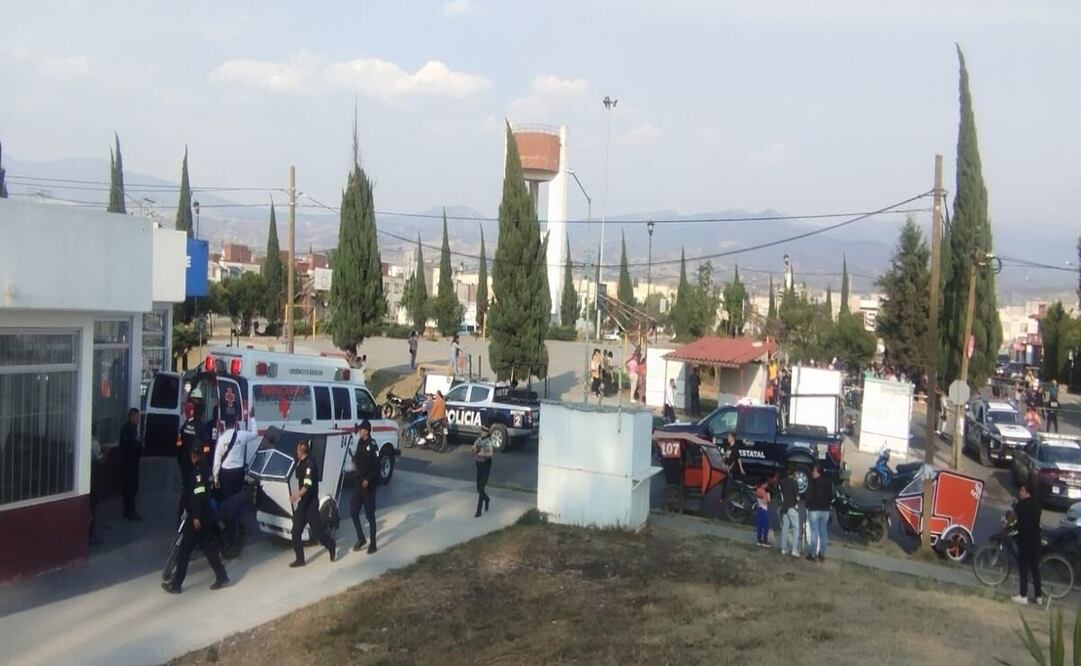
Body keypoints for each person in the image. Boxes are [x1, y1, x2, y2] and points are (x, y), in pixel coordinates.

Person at [162, 445, 229, 594]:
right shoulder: (204, 468)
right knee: (207, 547)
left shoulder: (199, 472)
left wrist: (196, 516)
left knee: (184, 550)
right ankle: (222, 576)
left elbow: (199, 494)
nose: (192, 456)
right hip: (204, 515)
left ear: (198, 455)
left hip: (197, 517)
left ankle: (177, 584)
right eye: (192, 453)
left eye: (194, 453)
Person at [289, 440, 338, 567]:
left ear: (301, 450)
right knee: (295, 531)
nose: (296, 452)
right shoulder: (301, 462)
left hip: (311, 503)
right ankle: (300, 559)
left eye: (298, 450)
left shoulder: (310, 465)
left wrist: (295, 495)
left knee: (316, 532)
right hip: (303, 503)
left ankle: (331, 545)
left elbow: (307, 485)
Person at [177, 401, 211, 524]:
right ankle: (195, 516)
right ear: (202, 414)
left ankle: (183, 515)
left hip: (185, 461)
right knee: (198, 491)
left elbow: (179, 444)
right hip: (196, 464)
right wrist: (205, 461)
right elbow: (206, 447)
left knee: (186, 490)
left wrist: (180, 458)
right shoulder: (201, 427)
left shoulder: (186, 425)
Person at [349, 420, 380, 553]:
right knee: (353, 511)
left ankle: (373, 543)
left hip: (369, 486)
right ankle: (361, 538)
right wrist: (354, 460)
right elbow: (357, 457)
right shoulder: (360, 442)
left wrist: (368, 479)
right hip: (359, 484)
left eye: (362, 429)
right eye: (359, 429)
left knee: (370, 515)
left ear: (367, 431)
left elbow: (377, 466)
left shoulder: (372, 445)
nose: (360, 432)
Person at [1013, 483, 1043, 605]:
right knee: (1035, 569)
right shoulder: (1037, 505)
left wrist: (1006, 523)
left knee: (1023, 568)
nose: (1020, 492)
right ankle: (1038, 596)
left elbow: (1013, 516)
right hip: (1036, 540)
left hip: (1024, 540)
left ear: (1027, 492)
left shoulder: (1021, 504)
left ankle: (1023, 595)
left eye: (1022, 490)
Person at [213, 418, 255, 499]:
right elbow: (255, 434)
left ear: (225, 426)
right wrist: (252, 419)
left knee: (227, 498)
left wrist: (216, 478)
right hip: (238, 472)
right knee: (238, 497)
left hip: (226, 473)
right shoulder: (242, 434)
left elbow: (217, 460)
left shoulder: (222, 439)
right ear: (235, 424)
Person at [118, 407, 143, 521]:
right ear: (132, 417)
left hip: (127, 463)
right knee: (131, 488)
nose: (138, 419)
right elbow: (132, 446)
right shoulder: (130, 430)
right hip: (130, 464)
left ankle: (127, 511)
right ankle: (130, 512)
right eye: (137, 417)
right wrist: (139, 445)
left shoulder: (129, 429)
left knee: (129, 488)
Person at [805, 464, 831, 562]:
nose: (812, 472)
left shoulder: (813, 483)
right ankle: (822, 554)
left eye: (814, 471)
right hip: (825, 510)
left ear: (817, 472)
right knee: (823, 533)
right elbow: (831, 495)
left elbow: (808, 496)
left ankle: (812, 554)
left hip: (814, 509)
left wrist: (808, 505)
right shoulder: (828, 483)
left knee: (814, 533)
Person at [473, 424, 494, 517]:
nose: (482, 432)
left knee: (481, 488)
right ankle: (487, 499)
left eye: (484, 431)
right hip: (479, 465)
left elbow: (491, 454)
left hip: (486, 465)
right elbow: (474, 447)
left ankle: (479, 510)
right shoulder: (479, 440)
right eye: (481, 431)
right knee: (478, 487)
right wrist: (474, 449)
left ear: (487, 433)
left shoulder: (488, 442)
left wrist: (483, 454)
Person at [779, 468, 801, 558]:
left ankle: (783, 549)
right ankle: (794, 550)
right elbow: (798, 497)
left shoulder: (783, 481)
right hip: (792, 506)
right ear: (794, 473)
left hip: (784, 506)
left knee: (785, 528)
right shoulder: (794, 482)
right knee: (796, 528)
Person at [754, 479, 771, 547]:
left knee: (760, 525)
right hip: (764, 509)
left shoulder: (758, 490)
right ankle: (765, 540)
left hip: (759, 508)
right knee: (766, 525)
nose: (767, 486)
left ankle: (759, 540)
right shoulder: (763, 492)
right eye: (766, 484)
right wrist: (768, 497)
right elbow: (766, 502)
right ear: (763, 484)